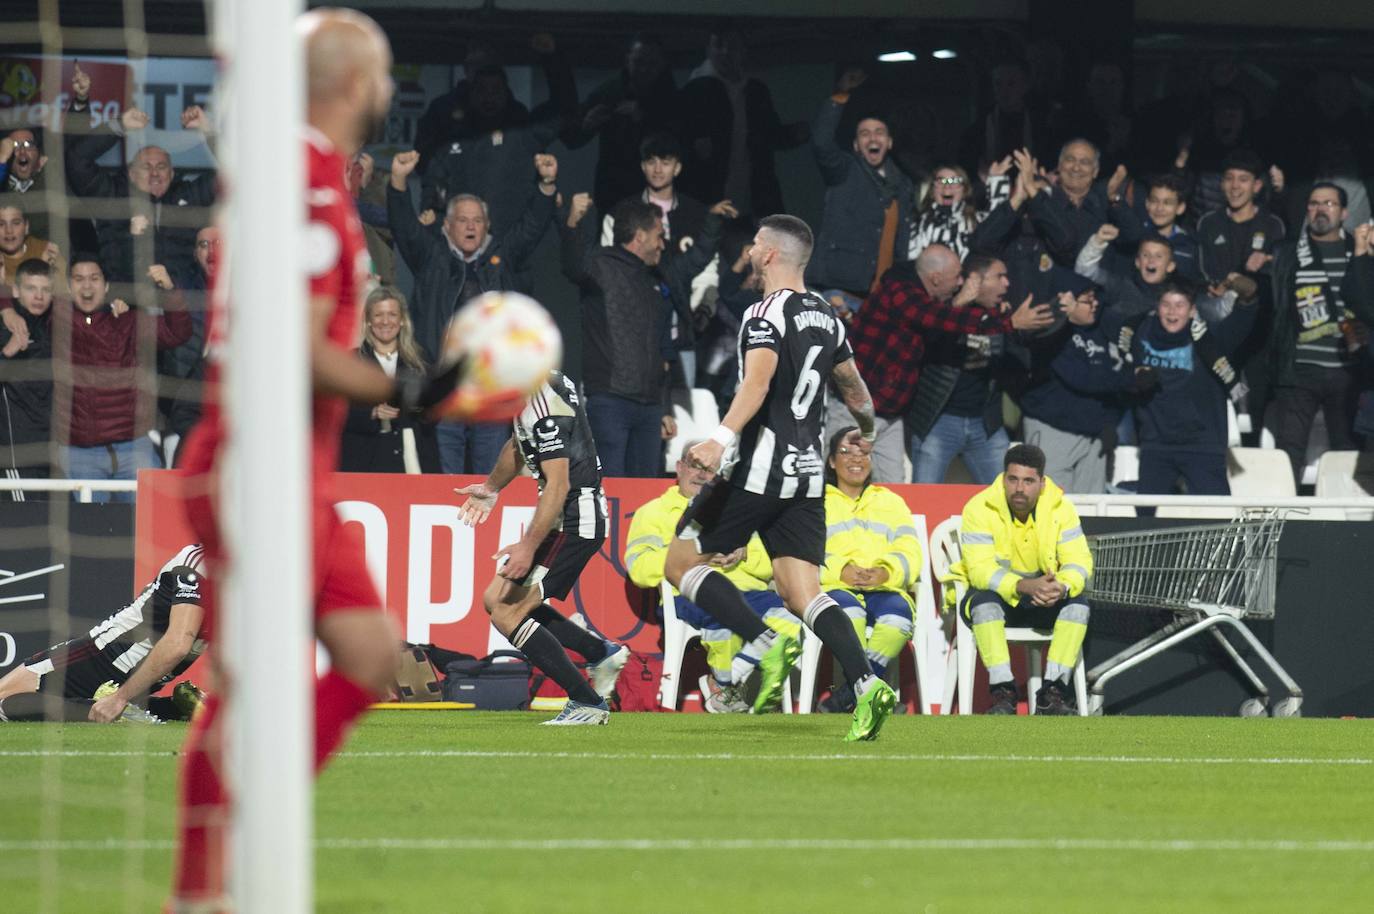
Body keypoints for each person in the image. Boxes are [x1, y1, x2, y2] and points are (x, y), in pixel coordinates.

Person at [169, 11, 466, 908]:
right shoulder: (301, 183)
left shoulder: (305, 176)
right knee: (247, 686)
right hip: (254, 465)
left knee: (371, 654)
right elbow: (292, 350)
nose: (390, 88)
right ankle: (201, 887)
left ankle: (246, 819)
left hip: (294, 467)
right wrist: (414, 389)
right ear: (354, 83)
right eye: (383, 73)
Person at [661, 213, 898, 742]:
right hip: (808, 473)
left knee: (679, 562)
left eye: (754, 243)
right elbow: (853, 386)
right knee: (801, 592)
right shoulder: (828, 316)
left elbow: (758, 383)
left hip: (759, 467)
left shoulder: (763, 313)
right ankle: (866, 684)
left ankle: (763, 642)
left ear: (769, 253)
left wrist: (717, 439)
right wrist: (867, 429)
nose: (748, 249)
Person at [455, 370, 630, 725]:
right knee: (495, 598)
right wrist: (491, 488)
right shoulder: (537, 385)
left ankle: (586, 702)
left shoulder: (543, 405)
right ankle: (600, 653)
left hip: (575, 521)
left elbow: (558, 485)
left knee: (507, 613)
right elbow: (517, 444)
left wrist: (527, 546)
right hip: (566, 518)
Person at [388, 149, 557, 474]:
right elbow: (405, 228)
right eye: (463, 220)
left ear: (487, 226)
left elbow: (531, 229)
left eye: (477, 221)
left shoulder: (500, 258)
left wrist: (546, 185)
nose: (470, 227)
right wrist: (397, 181)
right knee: (444, 478)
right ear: (447, 225)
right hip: (445, 387)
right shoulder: (432, 257)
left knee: (489, 478)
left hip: (489, 387)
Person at [562, 192, 733, 477]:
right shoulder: (600, 266)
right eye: (659, 236)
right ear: (640, 236)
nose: (663, 244)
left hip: (651, 406)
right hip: (610, 401)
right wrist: (572, 222)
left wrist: (712, 223)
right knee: (611, 486)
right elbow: (571, 264)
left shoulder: (659, 275)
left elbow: (696, 260)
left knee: (645, 486)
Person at [845, 244, 1049, 483]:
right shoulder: (903, 293)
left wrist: (1014, 322)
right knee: (849, 482)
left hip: (964, 421)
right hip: (867, 408)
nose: (960, 282)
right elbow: (937, 320)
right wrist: (1004, 321)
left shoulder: (982, 311)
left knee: (895, 492)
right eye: (999, 276)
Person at [624, 441, 800, 713]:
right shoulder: (653, 512)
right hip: (687, 593)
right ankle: (727, 686)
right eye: (695, 466)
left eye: (710, 469)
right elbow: (640, 569)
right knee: (725, 612)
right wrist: (693, 555)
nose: (702, 475)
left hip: (749, 592)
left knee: (792, 617)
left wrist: (743, 552)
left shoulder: (740, 510)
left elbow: (769, 566)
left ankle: (723, 682)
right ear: (679, 467)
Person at [953, 444, 1092, 714]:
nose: (1019, 488)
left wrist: (1061, 587)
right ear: (1003, 478)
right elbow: (980, 570)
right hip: (997, 596)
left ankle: (1052, 694)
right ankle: (1002, 694)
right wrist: (1023, 586)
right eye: (1013, 479)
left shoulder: (1062, 508)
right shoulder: (979, 507)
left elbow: (1080, 562)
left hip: (1043, 599)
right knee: (984, 605)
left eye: (1028, 481)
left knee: (1078, 606)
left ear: (1042, 483)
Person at [0, 544, 208, 724]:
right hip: (148, 677)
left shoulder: (197, 563)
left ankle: (117, 711)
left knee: (3, 701)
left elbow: (177, 644)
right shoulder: (220, 575)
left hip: (106, 655)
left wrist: (120, 698)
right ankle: (173, 709)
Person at [903, 251, 1049, 484]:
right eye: (999, 276)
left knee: (1006, 490)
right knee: (925, 492)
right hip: (940, 421)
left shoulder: (1002, 315)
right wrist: (959, 302)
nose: (1007, 283)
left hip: (985, 423)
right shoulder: (945, 309)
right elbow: (929, 337)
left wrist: (1020, 326)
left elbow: (1022, 356)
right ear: (975, 280)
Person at [53, 256, 192, 499]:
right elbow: (26, 298)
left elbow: (177, 332)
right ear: (68, 286)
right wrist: (7, 309)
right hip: (81, 452)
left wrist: (170, 290)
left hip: (134, 447)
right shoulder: (56, 321)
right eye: (78, 279)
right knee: (90, 523)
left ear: (106, 286)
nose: (87, 286)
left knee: (150, 518)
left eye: (94, 278)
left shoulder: (129, 321)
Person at [1268, 186, 1374, 483]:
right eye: (1314, 203)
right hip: (1299, 369)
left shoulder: (1361, 251)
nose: (1320, 209)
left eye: (1329, 203)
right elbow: (1275, 310)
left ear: (1344, 212)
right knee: (1288, 451)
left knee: (1348, 452)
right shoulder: (1287, 253)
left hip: (1349, 370)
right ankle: (1282, 511)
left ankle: (1346, 512)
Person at [816, 427, 922, 714]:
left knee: (898, 618)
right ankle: (871, 694)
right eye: (846, 452)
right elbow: (805, 551)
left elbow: (910, 550)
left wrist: (886, 572)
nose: (856, 459)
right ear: (831, 461)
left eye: (863, 452)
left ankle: (850, 693)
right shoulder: (815, 501)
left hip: (883, 587)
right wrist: (841, 570)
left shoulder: (890, 501)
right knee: (849, 614)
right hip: (834, 587)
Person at [1123, 279, 1258, 498]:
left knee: (1217, 514)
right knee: (1146, 515)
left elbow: (1244, 316)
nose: (1172, 312)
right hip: (1156, 444)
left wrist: (1246, 293)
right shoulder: (1139, 333)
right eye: (1166, 304)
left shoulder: (1211, 338)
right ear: (1157, 308)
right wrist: (1133, 378)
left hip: (1203, 444)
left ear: (1192, 310)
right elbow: (1118, 370)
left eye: (1179, 305)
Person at [806, 68, 914, 316]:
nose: (872, 138)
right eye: (865, 134)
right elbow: (821, 142)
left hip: (881, 293)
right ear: (856, 146)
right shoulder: (845, 170)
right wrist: (840, 95)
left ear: (889, 142)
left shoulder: (903, 184)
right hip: (840, 288)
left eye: (879, 133)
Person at [677, 25, 808, 220]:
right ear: (708, 50)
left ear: (743, 51)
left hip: (752, 199)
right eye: (719, 45)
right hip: (710, 199)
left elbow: (768, 135)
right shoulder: (695, 91)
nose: (725, 52)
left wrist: (793, 135)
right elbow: (680, 140)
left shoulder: (755, 91)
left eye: (732, 46)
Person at [1021, 289, 1131, 494]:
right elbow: (1082, 378)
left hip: (1093, 436)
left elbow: (1111, 387)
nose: (1095, 305)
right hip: (1053, 430)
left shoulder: (1102, 331)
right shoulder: (1051, 334)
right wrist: (1130, 381)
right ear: (1068, 303)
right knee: (1051, 502)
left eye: (1096, 299)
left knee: (1092, 506)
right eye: (1088, 301)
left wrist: (1108, 423)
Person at [566, 32, 681, 215]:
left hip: (657, 195)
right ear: (627, 60)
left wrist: (644, 118)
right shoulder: (610, 92)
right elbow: (572, 138)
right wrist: (586, 125)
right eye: (639, 62)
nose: (644, 69)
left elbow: (678, 144)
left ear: (662, 65)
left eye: (652, 63)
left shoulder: (672, 99)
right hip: (614, 194)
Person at [340, 286, 441, 474]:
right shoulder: (352, 362)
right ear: (368, 320)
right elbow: (336, 412)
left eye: (392, 314)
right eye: (378, 315)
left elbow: (437, 410)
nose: (385, 321)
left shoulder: (421, 361)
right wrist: (372, 413)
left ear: (402, 320)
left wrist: (415, 409)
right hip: (365, 463)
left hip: (414, 463)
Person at [0, 258, 56, 493]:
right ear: (15, 291)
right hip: (16, 456)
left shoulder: (51, 326)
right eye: (31, 288)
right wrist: (7, 352)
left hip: (50, 452)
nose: (39, 296)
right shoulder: (5, 328)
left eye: (46, 289)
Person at [908, 160, 1012, 262]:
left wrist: (997, 179)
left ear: (964, 189)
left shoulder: (976, 221)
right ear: (932, 190)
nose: (947, 186)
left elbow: (998, 219)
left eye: (954, 181)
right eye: (941, 181)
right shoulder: (917, 224)